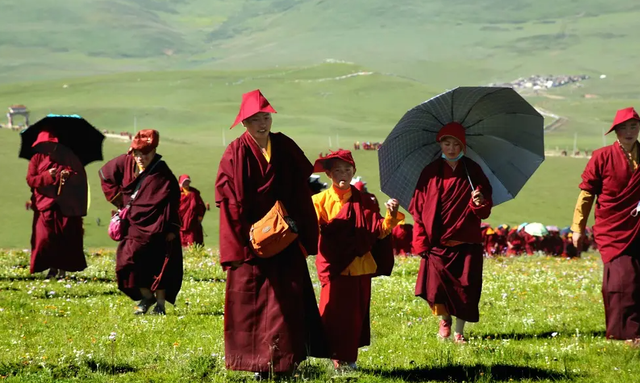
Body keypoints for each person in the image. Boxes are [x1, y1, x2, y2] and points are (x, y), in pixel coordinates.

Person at [215, 89, 327, 379]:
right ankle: (256, 364)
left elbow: (301, 191)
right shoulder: (235, 153)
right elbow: (229, 202)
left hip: (284, 236)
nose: (262, 124)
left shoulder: (284, 146)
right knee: (254, 304)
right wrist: (237, 248)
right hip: (251, 241)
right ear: (244, 123)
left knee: (287, 301)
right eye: (255, 119)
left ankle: (286, 361)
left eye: (265, 117)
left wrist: (302, 235)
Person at [312, 149, 402, 370]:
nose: (343, 174)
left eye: (347, 170)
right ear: (329, 174)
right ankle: (335, 357)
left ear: (354, 172)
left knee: (354, 316)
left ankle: (349, 359)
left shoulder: (365, 201)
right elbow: (312, 232)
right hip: (334, 266)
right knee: (331, 313)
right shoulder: (319, 201)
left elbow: (379, 231)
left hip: (360, 267)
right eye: (337, 171)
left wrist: (391, 215)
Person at [410, 122, 493, 344]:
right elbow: (418, 209)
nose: (451, 148)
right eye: (447, 143)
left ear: (463, 145)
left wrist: (479, 202)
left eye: (456, 144)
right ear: (440, 145)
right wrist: (420, 242)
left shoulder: (473, 170)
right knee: (436, 289)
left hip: (466, 242)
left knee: (465, 289)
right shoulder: (430, 171)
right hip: (437, 242)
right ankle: (444, 321)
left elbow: (484, 211)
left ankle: (459, 331)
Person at [571, 107, 640, 341]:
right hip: (614, 228)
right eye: (623, 128)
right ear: (615, 131)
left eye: (633, 126)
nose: (629, 132)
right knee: (622, 280)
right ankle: (625, 333)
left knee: (636, 279)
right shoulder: (602, 156)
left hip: (639, 227)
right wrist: (577, 227)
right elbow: (586, 194)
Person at [99, 129, 183, 315]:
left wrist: (172, 228)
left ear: (154, 151)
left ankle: (160, 304)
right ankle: (147, 297)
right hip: (134, 227)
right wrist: (118, 200)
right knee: (126, 263)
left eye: (145, 153)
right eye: (137, 153)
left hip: (159, 228)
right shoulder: (125, 163)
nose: (140, 157)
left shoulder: (162, 173)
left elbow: (173, 202)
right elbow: (105, 175)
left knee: (160, 266)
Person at [26, 130, 87, 279]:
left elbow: (80, 178)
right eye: (43, 144)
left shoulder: (69, 156)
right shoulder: (36, 159)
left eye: (49, 143)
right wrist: (47, 176)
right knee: (45, 238)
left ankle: (62, 271)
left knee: (65, 237)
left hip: (66, 205)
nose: (47, 147)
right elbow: (31, 180)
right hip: (45, 205)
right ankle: (51, 268)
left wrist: (69, 175)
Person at [178, 174, 206, 247]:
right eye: (184, 182)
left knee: (192, 241)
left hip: (192, 222)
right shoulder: (177, 193)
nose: (186, 183)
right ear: (180, 183)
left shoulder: (194, 193)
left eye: (188, 182)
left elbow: (201, 206)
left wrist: (200, 216)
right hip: (180, 222)